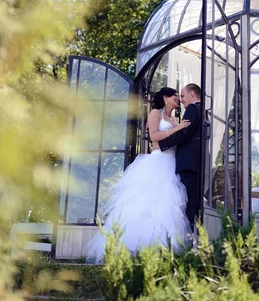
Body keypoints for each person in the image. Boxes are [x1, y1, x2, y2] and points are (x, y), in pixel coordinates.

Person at [86, 87, 191, 263]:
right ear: (166, 98)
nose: (178, 99)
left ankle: (161, 250)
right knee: (145, 205)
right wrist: (177, 128)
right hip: (157, 163)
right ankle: (133, 247)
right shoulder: (155, 114)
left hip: (172, 164)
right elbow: (154, 137)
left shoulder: (173, 118)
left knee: (168, 207)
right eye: (175, 96)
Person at [158, 83, 202, 231]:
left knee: (186, 201)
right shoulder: (203, 110)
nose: (181, 100)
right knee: (192, 201)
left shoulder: (192, 108)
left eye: (182, 96)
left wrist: (162, 144)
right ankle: (194, 235)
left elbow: (184, 133)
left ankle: (188, 235)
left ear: (191, 94)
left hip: (187, 163)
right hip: (196, 162)